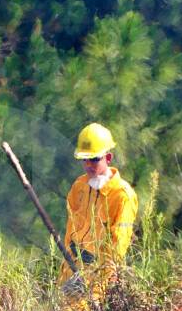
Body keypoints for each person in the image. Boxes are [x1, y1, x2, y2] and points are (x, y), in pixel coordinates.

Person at [59, 123, 138, 299]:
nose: (88, 165)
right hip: (71, 269)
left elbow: (117, 247)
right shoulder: (79, 186)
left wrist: (96, 284)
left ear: (108, 158)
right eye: (84, 160)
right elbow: (69, 231)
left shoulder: (122, 195)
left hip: (96, 279)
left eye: (94, 159)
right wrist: (68, 269)